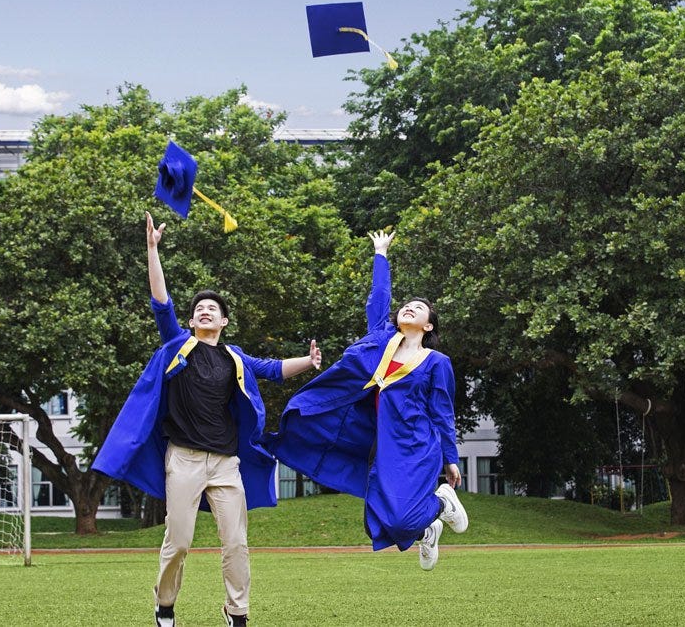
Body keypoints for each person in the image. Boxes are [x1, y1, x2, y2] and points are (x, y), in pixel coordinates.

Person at [93, 212, 322, 627]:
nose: (204, 311)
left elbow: (271, 368)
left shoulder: (235, 357)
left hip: (226, 463)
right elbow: (161, 302)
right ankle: (165, 605)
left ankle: (238, 613)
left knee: (235, 542)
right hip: (182, 459)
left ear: (223, 321)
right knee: (178, 541)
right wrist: (152, 250)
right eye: (199, 308)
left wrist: (309, 361)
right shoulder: (179, 346)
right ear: (192, 319)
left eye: (212, 309)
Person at [263, 230, 467, 571]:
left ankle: (440, 505)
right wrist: (380, 253)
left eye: (418, 309)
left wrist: (451, 459)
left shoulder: (436, 362)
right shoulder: (381, 341)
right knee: (382, 513)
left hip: (420, 444)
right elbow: (378, 299)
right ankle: (428, 528)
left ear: (428, 325)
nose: (409, 308)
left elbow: (442, 412)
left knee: (401, 520)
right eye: (406, 306)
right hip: (386, 446)